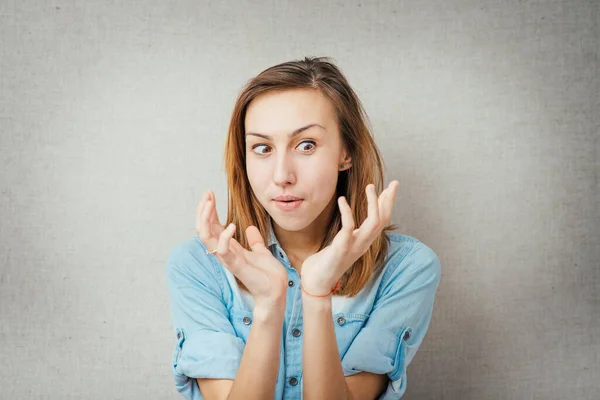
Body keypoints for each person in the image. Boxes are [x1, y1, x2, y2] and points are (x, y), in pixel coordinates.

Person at [166, 56, 442, 400]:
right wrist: (268, 306)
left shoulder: (407, 267)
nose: (282, 175)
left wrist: (316, 296)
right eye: (262, 148)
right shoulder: (197, 265)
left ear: (347, 152)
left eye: (306, 145)